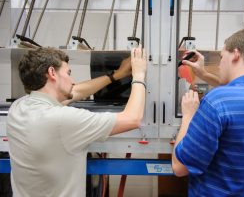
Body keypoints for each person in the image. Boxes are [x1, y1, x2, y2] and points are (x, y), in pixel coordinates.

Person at [6, 46, 147, 197]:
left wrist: (116, 75)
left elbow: (76, 91)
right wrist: (139, 74)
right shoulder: (63, 120)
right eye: (68, 73)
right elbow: (132, 119)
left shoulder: (18, 107)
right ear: (52, 73)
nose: (73, 81)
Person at [172, 28, 244, 197]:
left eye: (221, 57)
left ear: (235, 54)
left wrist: (188, 116)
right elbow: (240, 91)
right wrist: (204, 74)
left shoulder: (216, 101)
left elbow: (180, 168)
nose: (219, 64)